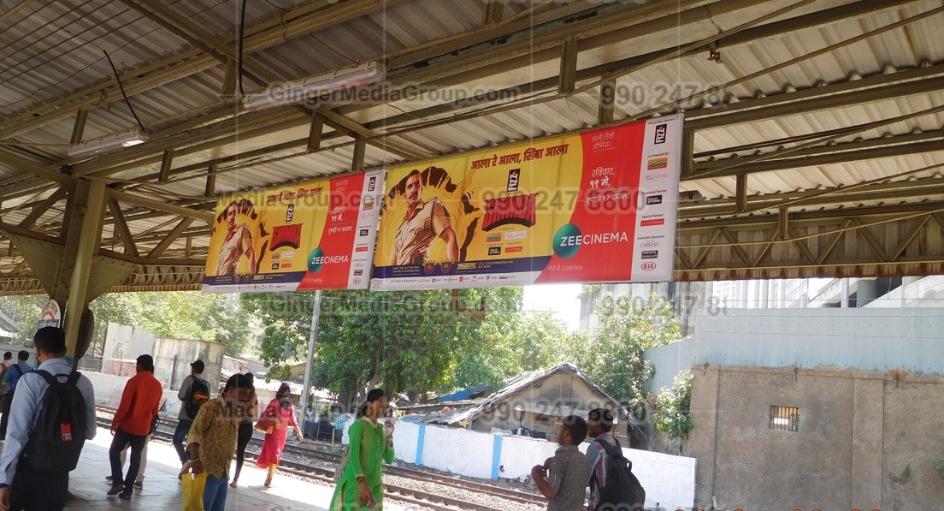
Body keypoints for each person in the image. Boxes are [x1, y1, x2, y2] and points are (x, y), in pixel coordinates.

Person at [0, 327, 96, 511]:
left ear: (38, 351)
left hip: (28, 470)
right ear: (65, 350)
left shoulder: (30, 381)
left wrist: (4, 481)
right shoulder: (83, 382)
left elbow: (17, 435)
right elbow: (90, 431)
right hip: (60, 473)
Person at [186, 373, 255, 511]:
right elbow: (195, 432)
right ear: (229, 390)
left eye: (246, 395)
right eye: (241, 393)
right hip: (207, 469)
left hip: (224, 470)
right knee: (202, 507)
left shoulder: (236, 411)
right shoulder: (210, 407)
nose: (244, 398)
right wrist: (195, 460)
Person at [107, 354, 163, 500]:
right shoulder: (157, 385)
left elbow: (125, 406)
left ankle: (118, 481)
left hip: (127, 426)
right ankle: (128, 491)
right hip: (143, 428)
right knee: (135, 458)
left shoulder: (133, 381)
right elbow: (155, 409)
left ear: (139, 365)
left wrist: (115, 421)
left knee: (114, 451)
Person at [330, 389, 395, 511]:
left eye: (386, 404)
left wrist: (390, 436)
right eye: (380, 401)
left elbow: (389, 459)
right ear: (369, 403)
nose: (384, 406)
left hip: (375, 487)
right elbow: (354, 458)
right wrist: (362, 484)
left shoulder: (381, 430)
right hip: (355, 485)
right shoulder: (358, 426)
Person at [392, 169, 459, 265]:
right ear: (405, 195)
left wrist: (454, 271)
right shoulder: (401, 228)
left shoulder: (431, 207)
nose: (414, 189)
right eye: (410, 186)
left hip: (418, 274)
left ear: (421, 189)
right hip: (399, 277)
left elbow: (450, 237)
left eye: (417, 185)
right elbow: (393, 261)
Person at [531, 415, 592, 511]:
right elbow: (570, 486)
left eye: (561, 428)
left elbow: (550, 493)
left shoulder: (560, 459)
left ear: (566, 433)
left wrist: (535, 473)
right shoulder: (585, 461)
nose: (558, 432)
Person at [256, 383, 303, 488]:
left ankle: (269, 479)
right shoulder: (274, 402)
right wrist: (275, 419)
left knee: (276, 455)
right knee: (274, 454)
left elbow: (293, 419)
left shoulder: (290, 406)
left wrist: (298, 431)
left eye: (287, 392)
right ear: (281, 392)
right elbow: (266, 415)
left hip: (282, 433)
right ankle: (269, 480)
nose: (286, 394)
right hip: (273, 432)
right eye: (284, 391)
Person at [174, 359, 208, 465]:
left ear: (194, 369)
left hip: (186, 415)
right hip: (198, 418)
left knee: (177, 440)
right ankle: (187, 464)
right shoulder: (206, 384)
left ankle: (185, 461)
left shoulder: (189, 379)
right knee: (191, 442)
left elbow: (181, 395)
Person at [586, 408, 619, 511]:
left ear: (598, 424)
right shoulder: (615, 443)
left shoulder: (596, 446)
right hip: (614, 502)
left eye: (590, 420)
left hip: (599, 504)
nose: (587, 425)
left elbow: (584, 479)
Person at [229, 373, 257, 488]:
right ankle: (235, 479)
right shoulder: (254, 396)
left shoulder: (241, 393)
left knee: (229, 449)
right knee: (241, 452)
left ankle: (225, 473)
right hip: (248, 427)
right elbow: (253, 413)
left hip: (237, 425)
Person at [216, 200, 256, 277]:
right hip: (221, 283)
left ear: (238, 216)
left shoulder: (241, 231)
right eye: (230, 214)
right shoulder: (225, 239)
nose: (232, 217)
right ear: (226, 218)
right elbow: (220, 264)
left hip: (232, 282)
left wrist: (251, 279)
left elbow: (251, 254)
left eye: (235, 213)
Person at [0, 352, 30, 439]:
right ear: (27, 358)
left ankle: (3, 434)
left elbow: (5, 381)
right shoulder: (31, 369)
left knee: (6, 413)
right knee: (21, 414)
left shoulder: (13, 368)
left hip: (12, 394)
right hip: (24, 395)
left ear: (18, 357)